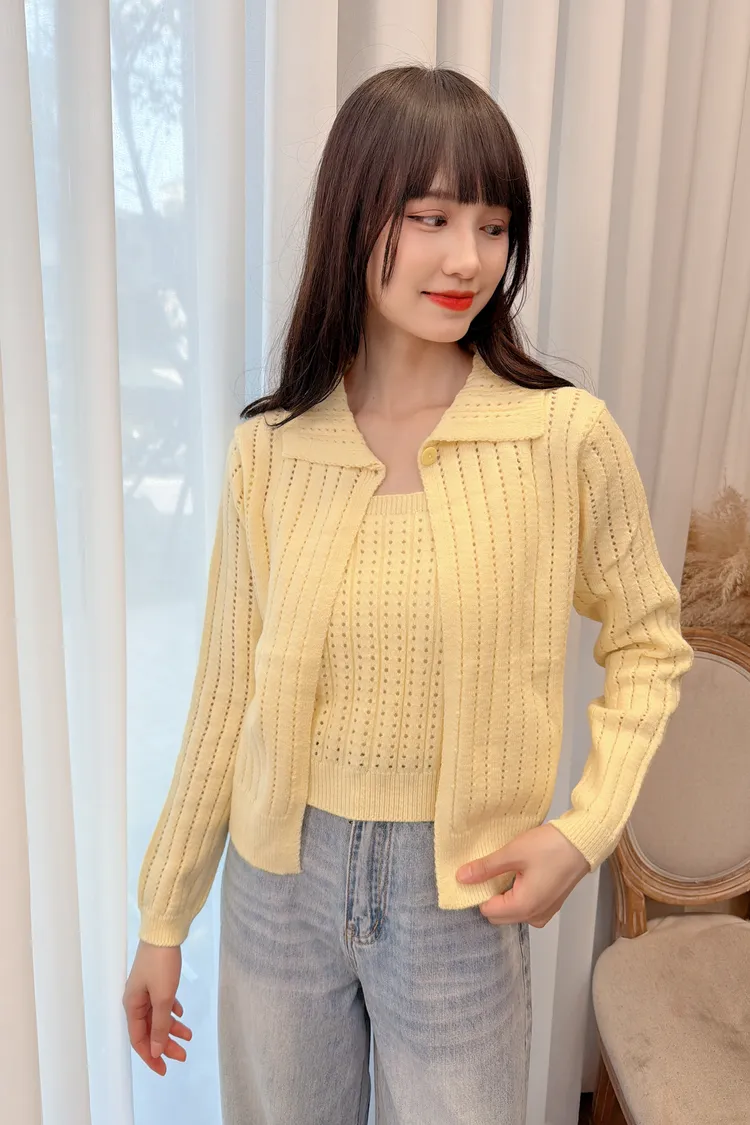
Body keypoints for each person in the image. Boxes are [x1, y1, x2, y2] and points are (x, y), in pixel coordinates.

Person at [122, 64, 694, 1124]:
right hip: (278, 887)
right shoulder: (271, 451)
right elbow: (224, 697)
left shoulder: (561, 436)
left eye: (493, 224)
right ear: (355, 217)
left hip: (460, 896)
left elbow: (650, 640)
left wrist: (583, 832)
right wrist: (163, 918)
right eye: (430, 217)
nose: (468, 258)